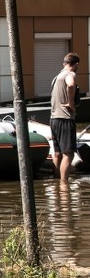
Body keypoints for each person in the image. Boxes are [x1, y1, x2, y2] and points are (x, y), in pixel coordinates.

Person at [49, 52, 80, 181]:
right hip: (65, 119)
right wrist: (71, 103)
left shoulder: (56, 77)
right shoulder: (70, 74)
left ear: (64, 63)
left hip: (54, 119)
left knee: (57, 153)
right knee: (69, 155)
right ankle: (63, 185)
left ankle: (56, 183)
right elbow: (71, 84)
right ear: (76, 64)